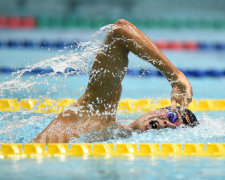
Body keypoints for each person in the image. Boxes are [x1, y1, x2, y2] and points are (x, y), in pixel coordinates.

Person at [31, 19, 198, 143]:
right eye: (172, 116)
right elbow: (120, 31)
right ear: (155, 110)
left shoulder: (120, 149)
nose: (165, 123)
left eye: (172, 127)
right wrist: (175, 76)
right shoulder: (99, 111)